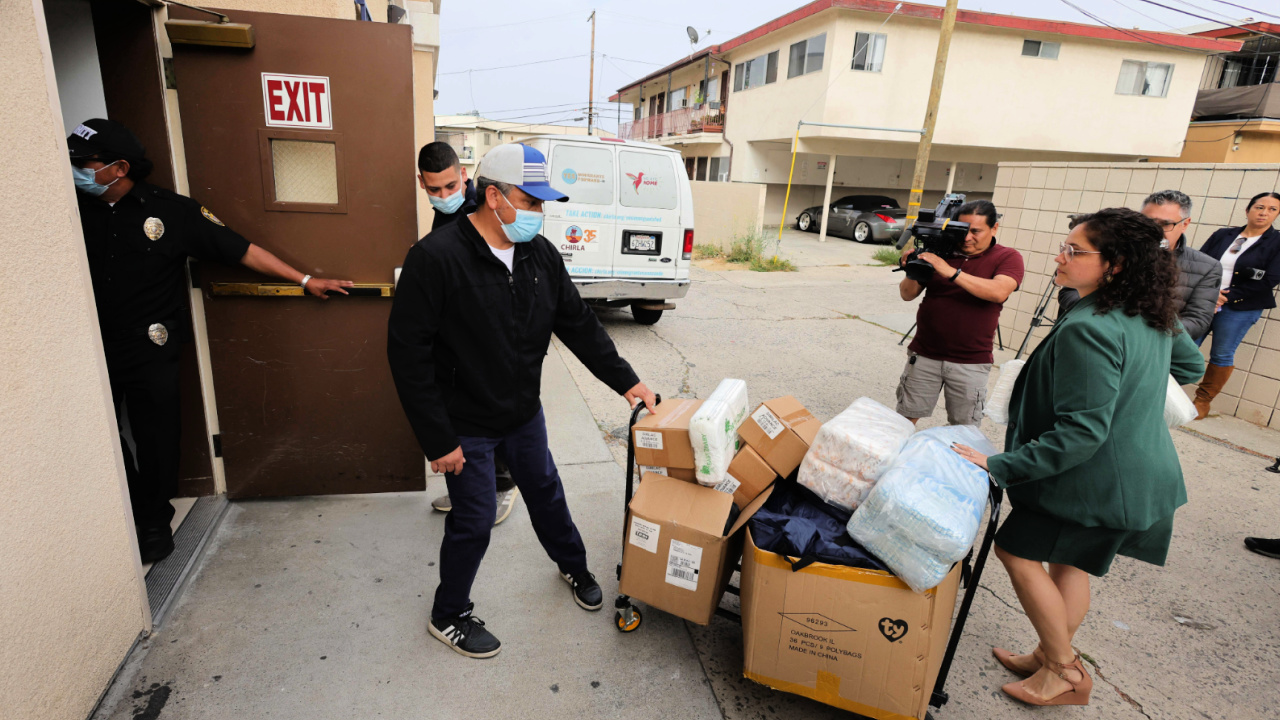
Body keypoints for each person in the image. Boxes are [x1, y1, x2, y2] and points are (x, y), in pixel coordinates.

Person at [387, 143, 656, 659]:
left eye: (541, 203)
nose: (539, 213)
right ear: (494, 197)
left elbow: (578, 324)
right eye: (529, 202)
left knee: (547, 492)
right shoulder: (435, 260)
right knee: (474, 518)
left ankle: (572, 566)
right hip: (465, 422)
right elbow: (408, 356)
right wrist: (437, 438)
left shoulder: (540, 255)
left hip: (522, 415)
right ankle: (449, 615)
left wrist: (628, 382)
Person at [69, 118, 353, 564]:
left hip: (149, 349)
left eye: (83, 163)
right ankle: (132, 507)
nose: (75, 171)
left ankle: (154, 521)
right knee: (98, 435)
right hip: (88, 348)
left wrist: (305, 280)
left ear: (119, 167)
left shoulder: (171, 211)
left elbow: (240, 249)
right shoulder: (69, 209)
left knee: (157, 437)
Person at [953, 208, 1205, 707]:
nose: (1060, 256)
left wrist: (1000, 465)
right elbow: (1191, 363)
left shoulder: (1091, 326)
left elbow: (1081, 433)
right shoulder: (1147, 310)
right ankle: (1049, 653)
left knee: (1016, 551)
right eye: (1064, 246)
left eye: (1075, 250)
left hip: (1095, 478)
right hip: (1130, 471)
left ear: (1114, 264)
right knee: (1071, 564)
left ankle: (1064, 671)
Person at [416, 141, 518, 523]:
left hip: (493, 332)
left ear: (464, 175)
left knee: (498, 410)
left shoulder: (486, 207)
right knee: (464, 415)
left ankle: (503, 487)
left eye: (450, 187)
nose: (443, 196)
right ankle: (472, 490)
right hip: (458, 336)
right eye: (434, 189)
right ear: (422, 184)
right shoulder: (444, 216)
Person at [896, 200, 1025, 425]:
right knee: (904, 420)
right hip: (925, 355)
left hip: (971, 361)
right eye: (962, 230)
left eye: (976, 231)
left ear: (994, 228)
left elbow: (999, 292)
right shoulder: (938, 252)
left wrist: (949, 271)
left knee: (964, 430)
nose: (967, 238)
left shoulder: (1007, 257)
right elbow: (907, 294)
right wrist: (913, 269)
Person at [1058, 190, 1220, 341]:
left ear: (1185, 224)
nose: (1155, 230)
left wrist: (1142, 332)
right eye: (1148, 222)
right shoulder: (1117, 252)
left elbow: (1198, 321)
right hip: (1095, 335)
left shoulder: (1206, 267)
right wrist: (1106, 319)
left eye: (1165, 224)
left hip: (1157, 350)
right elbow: (1069, 292)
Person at [1192, 191, 1280, 418]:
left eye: (1272, 209)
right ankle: (1160, 393)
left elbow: (1270, 280)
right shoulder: (1223, 235)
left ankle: (1202, 402)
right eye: (1260, 207)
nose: (1264, 212)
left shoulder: (1277, 242)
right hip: (1203, 301)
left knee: (1222, 354)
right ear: (1248, 209)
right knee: (1184, 343)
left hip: (1241, 307)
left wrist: (1225, 297)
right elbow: (1199, 264)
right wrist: (1208, 294)